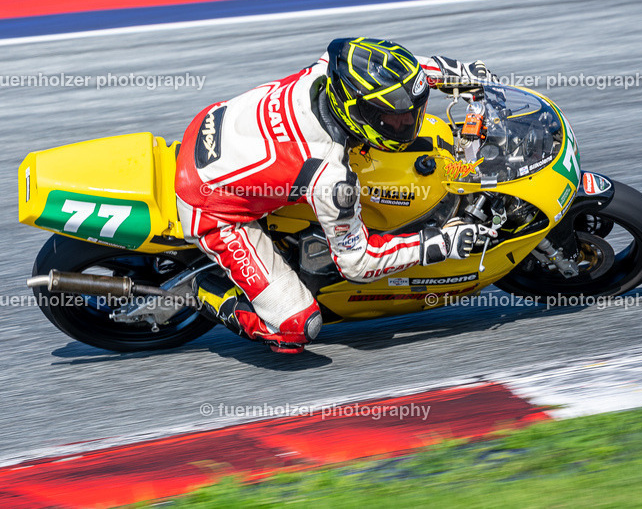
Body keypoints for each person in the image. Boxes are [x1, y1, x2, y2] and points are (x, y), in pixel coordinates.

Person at [174, 37, 497, 353]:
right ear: (358, 113)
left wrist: (455, 73)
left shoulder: (331, 70)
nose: (407, 120)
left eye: (411, 112)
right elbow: (357, 264)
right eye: (393, 117)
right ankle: (204, 291)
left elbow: (392, 72)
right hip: (209, 205)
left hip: (213, 126)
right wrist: (441, 244)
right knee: (297, 327)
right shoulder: (328, 175)